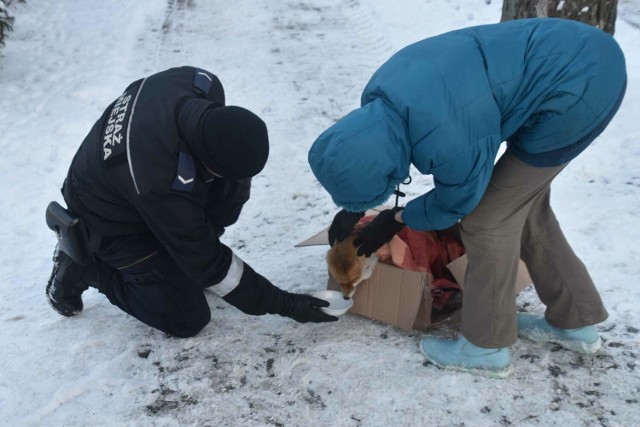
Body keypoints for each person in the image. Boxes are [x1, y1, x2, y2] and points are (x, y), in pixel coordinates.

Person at [308, 18, 626, 377]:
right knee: (522, 206)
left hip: (579, 90)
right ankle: (574, 322)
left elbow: (458, 203)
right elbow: (367, 154)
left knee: (487, 221)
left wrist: (397, 218)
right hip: (572, 51)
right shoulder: (383, 94)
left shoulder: (446, 138)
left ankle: (485, 348)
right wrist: (355, 209)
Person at [46, 66, 337, 338]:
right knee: (186, 318)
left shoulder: (200, 82)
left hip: (126, 180)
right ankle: (87, 266)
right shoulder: (160, 183)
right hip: (106, 217)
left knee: (229, 193)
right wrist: (285, 304)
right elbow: (209, 263)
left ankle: (176, 255)